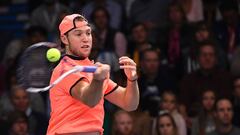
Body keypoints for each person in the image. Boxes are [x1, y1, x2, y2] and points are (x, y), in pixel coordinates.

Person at [47, 14, 139, 135]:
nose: (86, 38)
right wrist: (98, 79)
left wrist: (132, 79)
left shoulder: (93, 68)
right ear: (64, 39)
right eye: (78, 34)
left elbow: (129, 104)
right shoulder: (65, 70)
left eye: (88, 33)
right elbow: (89, 99)